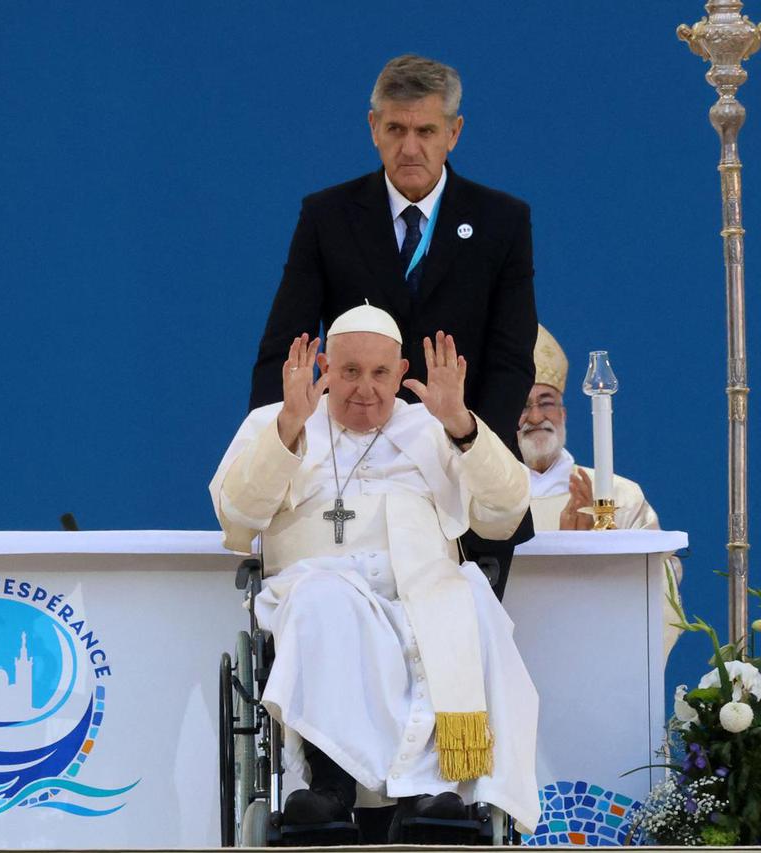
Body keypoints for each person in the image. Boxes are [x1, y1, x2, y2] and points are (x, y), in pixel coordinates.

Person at [211, 304, 539, 839]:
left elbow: (504, 514)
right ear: (324, 367)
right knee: (326, 600)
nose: (365, 389)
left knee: (465, 603)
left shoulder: (433, 429)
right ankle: (330, 785)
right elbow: (237, 516)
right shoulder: (278, 421)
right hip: (317, 584)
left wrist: (460, 422)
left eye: (380, 373)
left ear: (401, 371)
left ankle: (436, 792)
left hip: (423, 587)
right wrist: (288, 427)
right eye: (349, 372)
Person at [248, 53, 537, 598]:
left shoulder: (502, 221)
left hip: (460, 485)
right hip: (343, 487)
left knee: (453, 664)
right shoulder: (326, 217)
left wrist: (469, 452)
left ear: (454, 132)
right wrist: (272, 455)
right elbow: (283, 348)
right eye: (396, 129)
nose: (410, 147)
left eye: (426, 130)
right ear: (373, 128)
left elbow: (510, 357)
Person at [518, 324, 683, 654]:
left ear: (563, 413)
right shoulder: (490, 498)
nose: (535, 416)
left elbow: (660, 586)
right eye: (523, 405)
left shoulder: (621, 496)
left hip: (602, 659)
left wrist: (600, 551)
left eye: (546, 402)